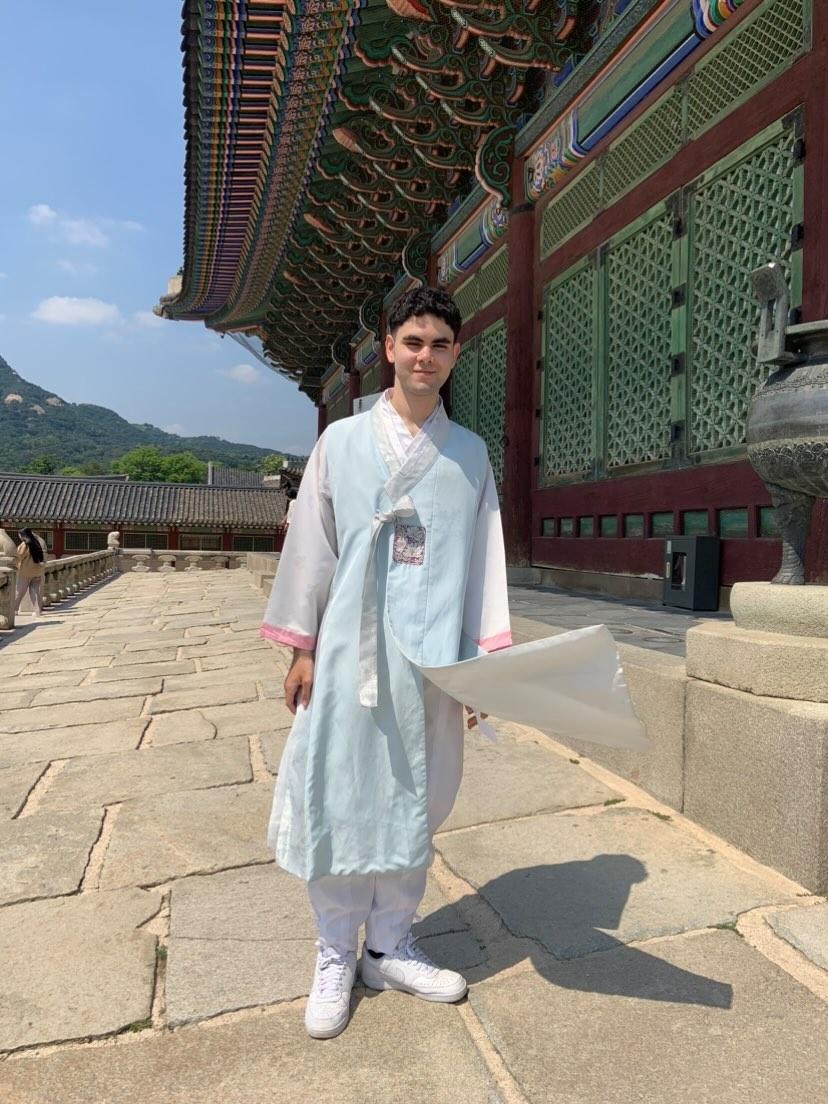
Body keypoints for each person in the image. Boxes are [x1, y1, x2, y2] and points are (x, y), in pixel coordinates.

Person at [260, 286, 511, 1039]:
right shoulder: (339, 442)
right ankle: (335, 949)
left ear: (456, 354)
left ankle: (390, 943)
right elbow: (313, 547)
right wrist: (301, 647)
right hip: (347, 650)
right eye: (412, 342)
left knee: (415, 795)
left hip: (432, 656)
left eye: (439, 344)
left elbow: (483, 562)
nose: (425, 357)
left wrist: (479, 664)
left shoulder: (468, 454)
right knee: (341, 789)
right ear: (387, 349)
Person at [15, 528, 47, 617]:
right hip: (37, 571)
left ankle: (14, 609)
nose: (19, 537)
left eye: (20, 535)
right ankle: (37, 611)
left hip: (25, 572)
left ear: (23, 535)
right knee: (35, 592)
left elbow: (19, 556)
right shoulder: (37, 543)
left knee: (19, 592)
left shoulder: (25, 545)